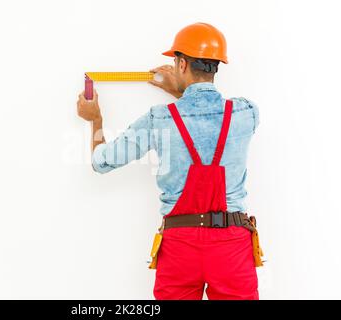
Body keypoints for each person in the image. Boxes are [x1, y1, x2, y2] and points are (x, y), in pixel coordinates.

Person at [76, 22, 260, 300]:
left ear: (182, 64)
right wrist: (181, 93)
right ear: (217, 66)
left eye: (175, 63)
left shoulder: (159, 119)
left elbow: (101, 162)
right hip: (231, 246)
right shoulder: (246, 112)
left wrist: (95, 119)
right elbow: (207, 122)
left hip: (180, 247)